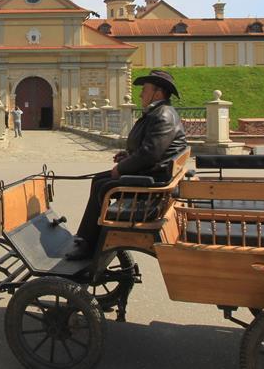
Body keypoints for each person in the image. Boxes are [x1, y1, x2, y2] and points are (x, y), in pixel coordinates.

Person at [67, 70, 188, 260]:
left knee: (104, 186)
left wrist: (121, 168)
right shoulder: (157, 112)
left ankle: (88, 245)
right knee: (99, 180)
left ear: (158, 92)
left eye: (145, 90)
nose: (140, 94)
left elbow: (150, 154)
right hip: (154, 173)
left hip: (154, 182)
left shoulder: (163, 115)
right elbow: (149, 148)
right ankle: (88, 237)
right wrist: (128, 155)